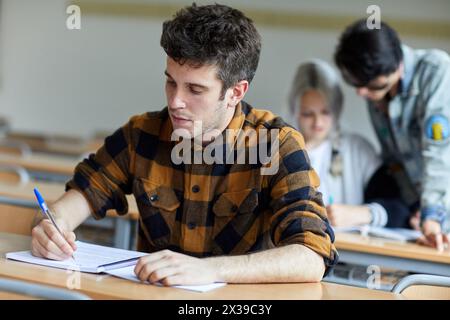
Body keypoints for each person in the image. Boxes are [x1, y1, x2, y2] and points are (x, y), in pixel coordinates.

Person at [30, 3, 337, 285]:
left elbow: (312, 257)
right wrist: (50, 227)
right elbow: (71, 203)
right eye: (170, 82)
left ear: (236, 92)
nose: (176, 101)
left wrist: (209, 270)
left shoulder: (277, 144)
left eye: (195, 89)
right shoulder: (141, 134)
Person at [334, 19, 450, 250]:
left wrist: (432, 215)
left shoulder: (436, 71)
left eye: (369, 85)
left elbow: (439, 153)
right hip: (425, 212)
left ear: (396, 66)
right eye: (355, 83)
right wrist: (415, 207)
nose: (361, 92)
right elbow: (395, 161)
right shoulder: (375, 94)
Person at [288, 59, 405, 229]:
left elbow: (398, 209)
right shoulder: (279, 150)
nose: (317, 122)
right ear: (295, 111)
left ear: (336, 109)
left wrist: (360, 214)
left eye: (325, 112)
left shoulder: (357, 150)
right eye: (308, 114)